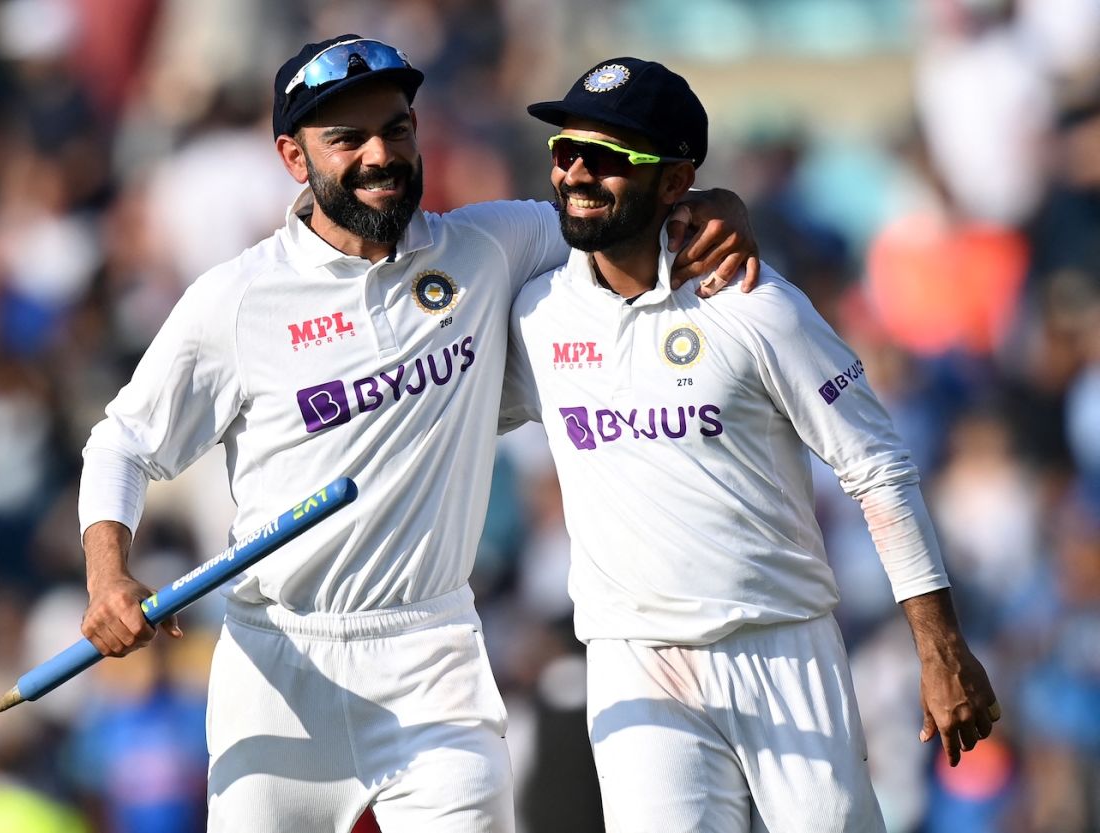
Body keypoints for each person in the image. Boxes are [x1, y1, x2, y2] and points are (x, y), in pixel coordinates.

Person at [76, 35, 759, 833]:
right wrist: (107, 574)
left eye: (396, 129)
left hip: (432, 653)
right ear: (294, 159)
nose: (381, 155)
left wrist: (709, 207)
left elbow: (614, 215)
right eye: (348, 139)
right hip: (279, 665)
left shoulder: (492, 244)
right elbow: (123, 441)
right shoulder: (234, 300)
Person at [500, 57, 1001, 832]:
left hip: (780, 644)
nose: (574, 172)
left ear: (675, 182)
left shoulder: (756, 303)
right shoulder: (535, 312)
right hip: (634, 658)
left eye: (605, 158)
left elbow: (876, 466)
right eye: (564, 151)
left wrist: (938, 646)